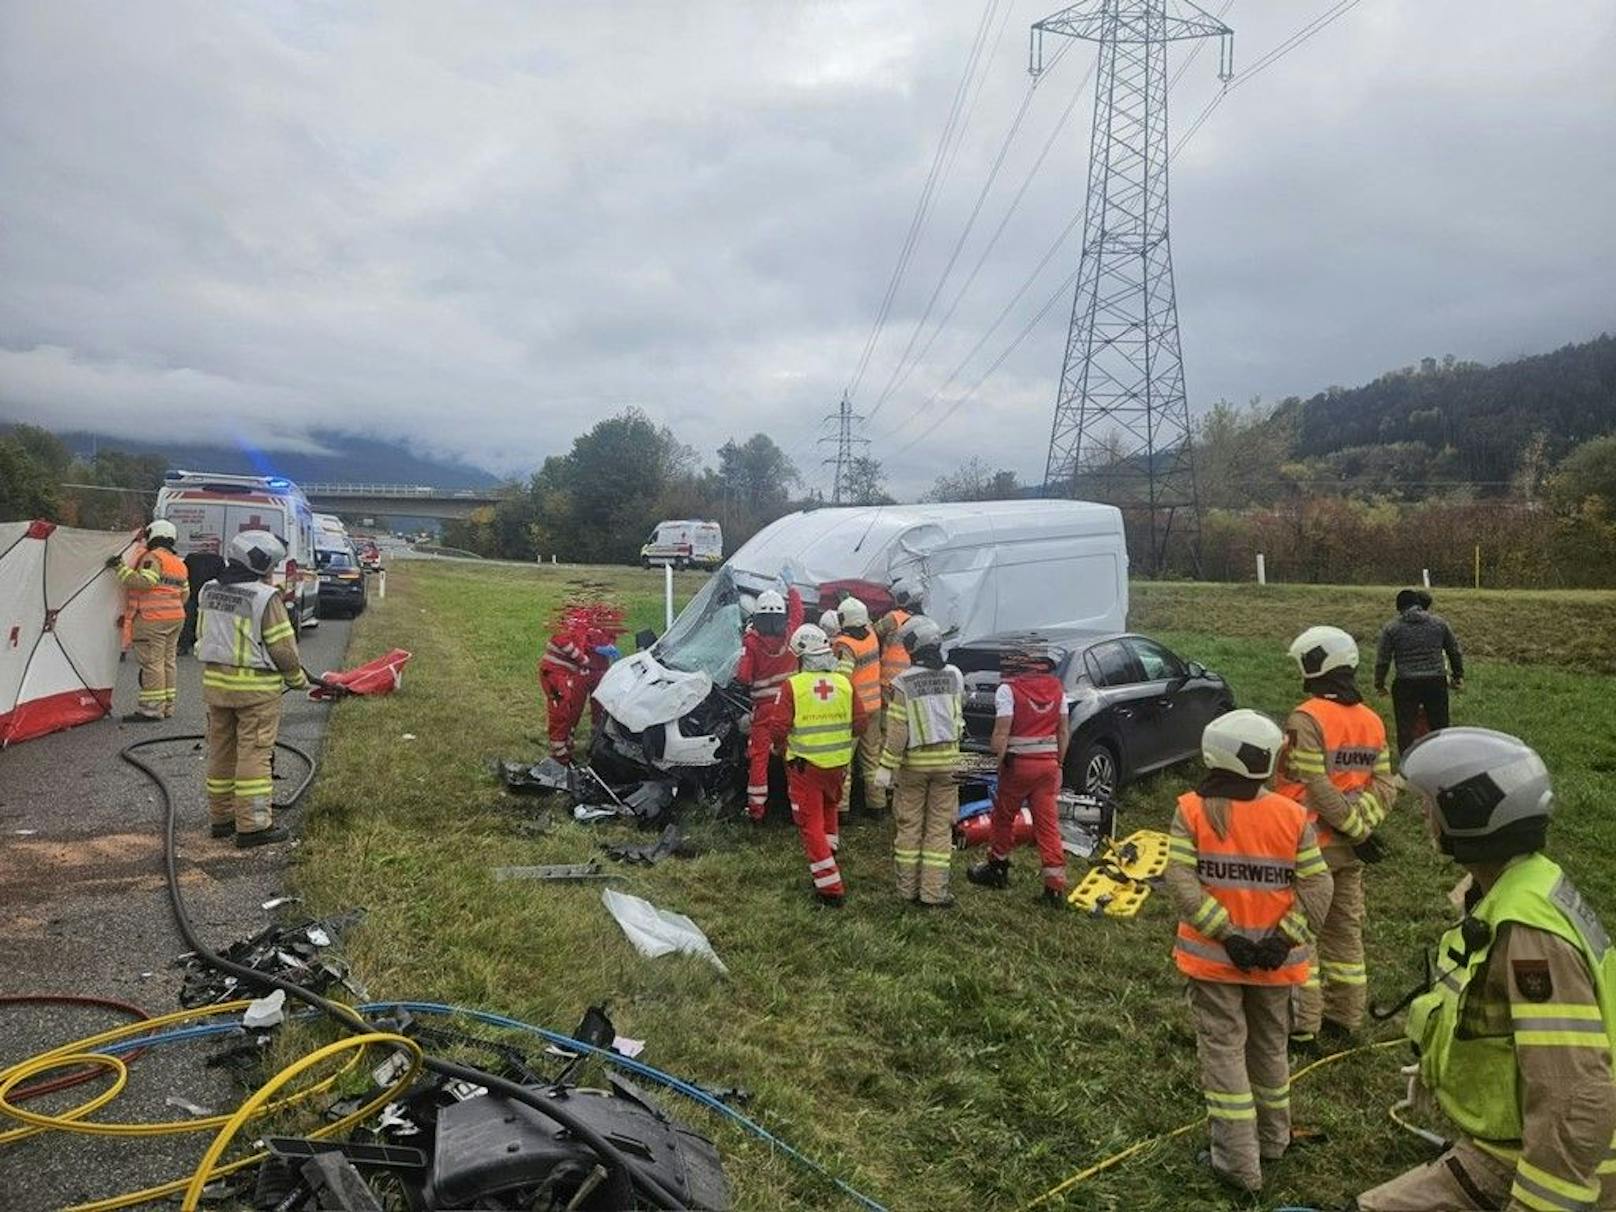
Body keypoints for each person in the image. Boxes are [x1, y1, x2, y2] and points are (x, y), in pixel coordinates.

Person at [1357, 728, 1616, 1212]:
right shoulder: (1521, 886)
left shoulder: (1527, 934)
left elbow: (1574, 1093)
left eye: (1430, 803)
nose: (1423, 815)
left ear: (1470, 813)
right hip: (1511, 1141)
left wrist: (1539, 1204)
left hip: (1544, 1168)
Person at [1165, 711, 1333, 1195]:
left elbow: (1181, 882)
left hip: (1216, 963)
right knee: (1269, 1051)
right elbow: (1317, 885)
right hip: (1275, 966)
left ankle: (1237, 1165)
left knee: (1224, 1056)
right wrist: (1285, 938)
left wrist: (1227, 934)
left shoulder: (1192, 810)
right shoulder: (1291, 814)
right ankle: (1273, 1140)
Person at [1273, 625, 1398, 1050]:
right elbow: (1385, 785)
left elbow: (1313, 784)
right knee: (1345, 934)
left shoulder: (1306, 718)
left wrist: (1349, 827)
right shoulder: (1372, 721)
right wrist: (1362, 828)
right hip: (1349, 850)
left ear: (1317, 664)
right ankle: (1345, 1017)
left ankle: (1303, 1025)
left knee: (1301, 933)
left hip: (1308, 847)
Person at [196, 531, 308, 847]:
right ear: (260, 565)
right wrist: (296, 678)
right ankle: (253, 826)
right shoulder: (264, 597)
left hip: (217, 686)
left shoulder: (209, 590)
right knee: (255, 755)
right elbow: (283, 649)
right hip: (255, 691)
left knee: (221, 751)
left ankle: (222, 819)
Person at [754, 624, 869, 906]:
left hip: (805, 767)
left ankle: (829, 887)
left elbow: (779, 728)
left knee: (811, 825)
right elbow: (861, 724)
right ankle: (829, 856)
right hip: (838, 766)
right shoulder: (845, 683)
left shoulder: (794, 686)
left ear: (802, 655)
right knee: (829, 812)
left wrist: (781, 749)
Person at [967, 643, 1071, 903]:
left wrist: (993, 765)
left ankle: (997, 867)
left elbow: (1001, 732)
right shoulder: (1057, 688)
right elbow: (1063, 732)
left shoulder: (1008, 690)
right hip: (1047, 767)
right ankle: (1055, 885)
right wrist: (1058, 763)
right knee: (1047, 824)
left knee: (1003, 817)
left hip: (1017, 766)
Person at [873, 615, 963, 908]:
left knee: (909, 825)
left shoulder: (903, 682)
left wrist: (887, 766)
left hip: (913, 766)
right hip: (949, 764)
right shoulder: (955, 675)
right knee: (939, 828)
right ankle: (933, 893)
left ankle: (907, 890)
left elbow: (898, 730)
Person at [107, 519, 189, 722]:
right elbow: (185, 593)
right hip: (175, 618)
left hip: (152, 619)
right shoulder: (178, 563)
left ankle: (151, 710)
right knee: (168, 662)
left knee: (152, 663)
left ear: (154, 535)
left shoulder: (152, 557)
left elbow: (145, 582)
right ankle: (167, 706)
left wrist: (120, 568)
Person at [734, 587, 803, 819]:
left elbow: (743, 676)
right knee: (792, 758)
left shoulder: (752, 641)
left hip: (764, 710)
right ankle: (799, 810)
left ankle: (756, 810)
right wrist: (792, 590)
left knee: (759, 758)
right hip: (790, 706)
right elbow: (798, 614)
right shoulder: (792, 633)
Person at [1375, 587, 1465, 756]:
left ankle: (1408, 765)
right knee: (1440, 727)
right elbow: (1454, 651)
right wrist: (1457, 675)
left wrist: (1379, 683)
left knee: (1405, 729)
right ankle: (1441, 761)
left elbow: (1383, 660)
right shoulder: (1440, 623)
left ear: (1399, 608)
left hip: (1405, 683)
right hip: (1436, 681)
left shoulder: (1392, 628)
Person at [832, 597, 884, 819]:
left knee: (845, 760)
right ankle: (878, 806)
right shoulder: (872, 634)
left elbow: (843, 679)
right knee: (872, 758)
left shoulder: (845, 645)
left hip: (854, 711)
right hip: (875, 706)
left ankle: (842, 809)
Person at [874, 577, 922, 708]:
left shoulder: (894, 617)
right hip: (912, 677)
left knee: (889, 718)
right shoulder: (922, 620)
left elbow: (874, 632)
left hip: (891, 679)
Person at [177, 549, 226, 656]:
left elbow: (183, 574)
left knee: (188, 620)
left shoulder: (190, 558)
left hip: (193, 592)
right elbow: (222, 577)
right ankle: (211, 647)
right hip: (210, 595)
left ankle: (183, 646)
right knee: (212, 621)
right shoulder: (218, 560)